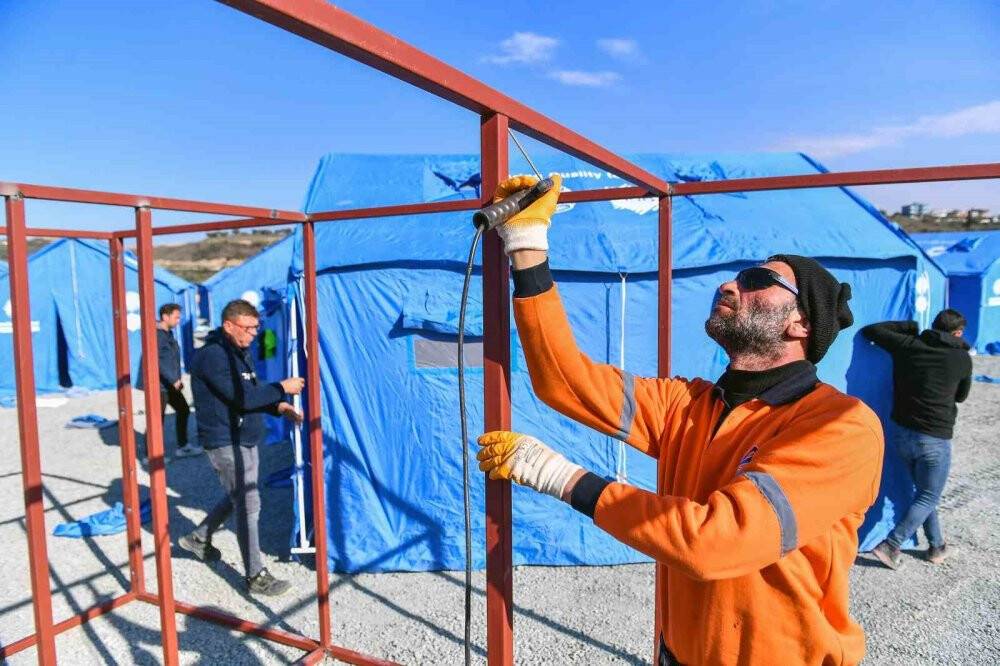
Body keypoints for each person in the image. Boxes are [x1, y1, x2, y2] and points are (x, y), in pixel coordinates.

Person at [474, 175, 884, 665]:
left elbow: (717, 542)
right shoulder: (688, 406)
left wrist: (563, 478)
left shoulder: (839, 426)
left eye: (758, 281)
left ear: (801, 324)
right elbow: (564, 381)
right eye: (737, 277)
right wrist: (526, 246)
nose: (731, 285)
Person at [178, 299, 304, 596]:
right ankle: (255, 575)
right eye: (247, 328)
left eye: (256, 328)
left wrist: (278, 406)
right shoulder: (213, 356)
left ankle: (199, 538)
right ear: (228, 325)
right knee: (248, 502)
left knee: (241, 496)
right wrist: (281, 388)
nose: (253, 334)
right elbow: (242, 398)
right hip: (224, 440)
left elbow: (249, 393)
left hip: (244, 437)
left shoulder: (239, 352)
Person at [862, 309, 972, 569]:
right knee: (928, 496)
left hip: (902, 435)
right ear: (957, 333)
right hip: (934, 439)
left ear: (933, 326)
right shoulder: (961, 358)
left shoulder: (909, 345)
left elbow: (872, 330)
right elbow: (961, 396)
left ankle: (936, 546)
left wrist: (909, 326)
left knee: (923, 494)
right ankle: (891, 545)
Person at [139, 303, 201, 460]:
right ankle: (150, 456)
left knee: (184, 409)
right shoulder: (157, 336)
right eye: (176, 317)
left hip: (170, 383)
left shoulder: (168, 334)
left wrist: (177, 378)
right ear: (165, 317)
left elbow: (169, 358)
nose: (179, 320)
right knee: (156, 419)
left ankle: (183, 446)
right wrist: (173, 379)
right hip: (159, 385)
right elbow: (155, 361)